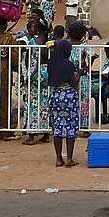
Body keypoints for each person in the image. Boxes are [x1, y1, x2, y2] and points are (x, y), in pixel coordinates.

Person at [47, 37, 81, 167]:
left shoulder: (51, 63)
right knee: (70, 127)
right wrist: (79, 73)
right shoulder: (68, 64)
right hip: (68, 97)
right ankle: (69, 159)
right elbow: (73, 83)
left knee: (57, 128)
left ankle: (58, 158)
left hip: (55, 96)